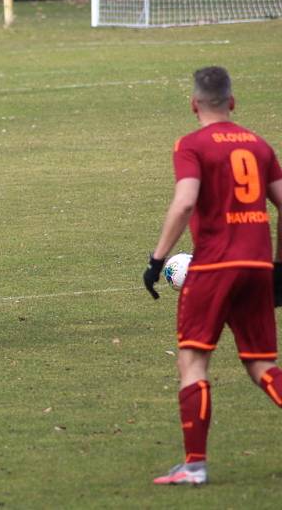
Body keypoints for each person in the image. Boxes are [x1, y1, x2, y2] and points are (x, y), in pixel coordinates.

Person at [143, 66, 282, 485]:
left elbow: (185, 202)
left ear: (194, 104)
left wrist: (157, 258)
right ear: (233, 102)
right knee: (262, 365)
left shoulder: (192, 144)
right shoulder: (258, 144)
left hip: (215, 265)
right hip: (257, 265)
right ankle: (193, 466)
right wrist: (279, 266)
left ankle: (195, 465)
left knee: (193, 360)